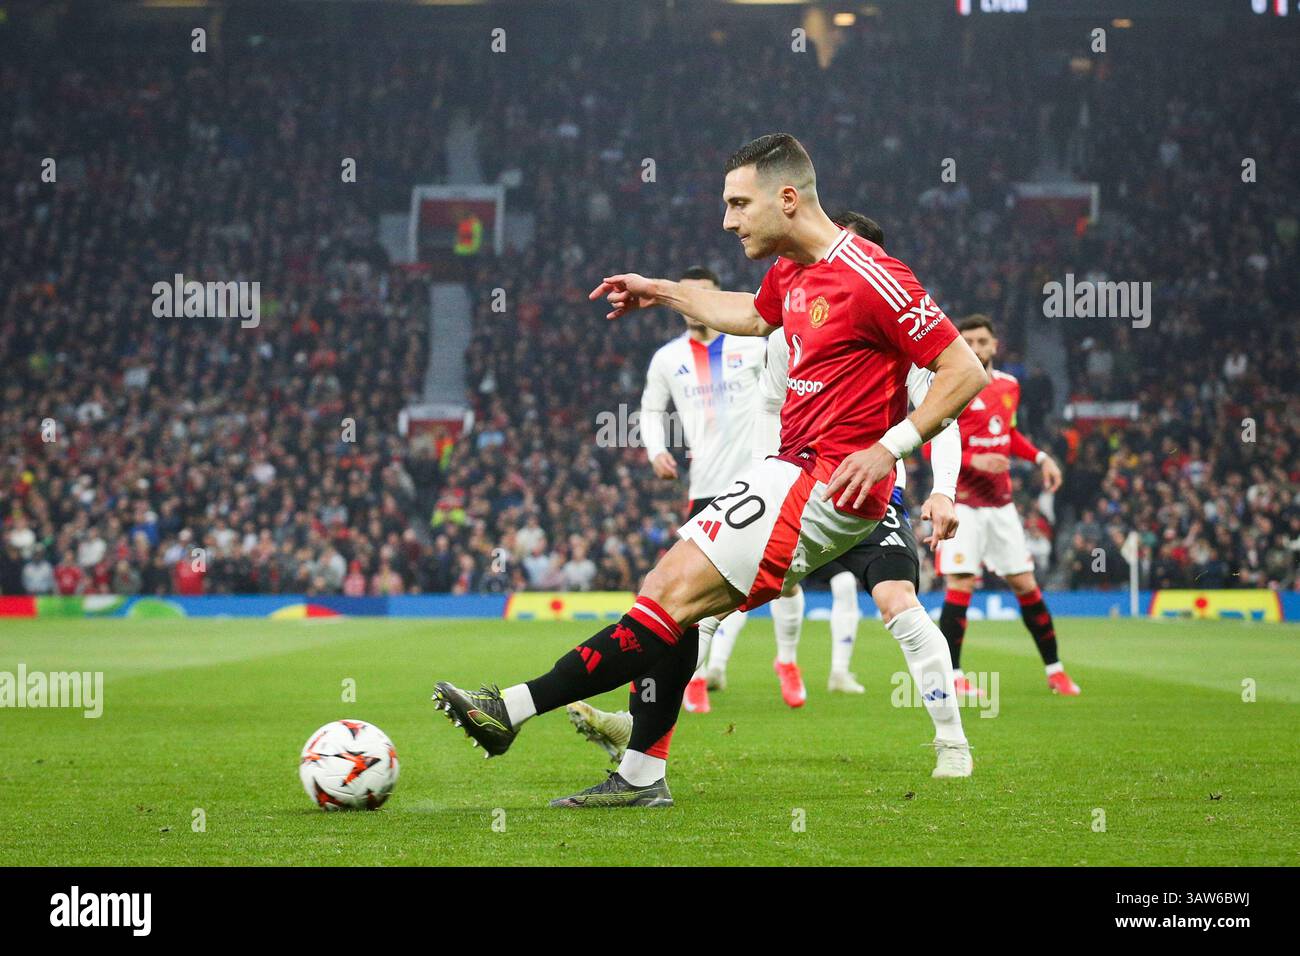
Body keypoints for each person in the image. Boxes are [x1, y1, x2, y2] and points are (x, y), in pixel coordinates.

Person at [430, 133, 988, 807]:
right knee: (671, 601)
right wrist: (664, 291)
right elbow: (750, 316)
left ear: (787, 198)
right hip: (793, 469)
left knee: (669, 594)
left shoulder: (874, 276)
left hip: (831, 482)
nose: (728, 221)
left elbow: (964, 370)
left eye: (737, 203)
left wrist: (890, 446)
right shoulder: (790, 270)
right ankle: (639, 777)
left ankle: (509, 710)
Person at [564, 210, 972, 797]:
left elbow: (947, 401)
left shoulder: (896, 328)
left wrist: (941, 489)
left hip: (870, 498)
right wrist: (761, 483)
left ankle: (952, 742)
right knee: (700, 605)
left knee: (899, 602)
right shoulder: (793, 330)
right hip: (800, 490)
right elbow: (768, 406)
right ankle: (641, 728)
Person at [637, 266, 785, 712]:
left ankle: (787, 662)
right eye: (688, 295)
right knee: (700, 593)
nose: (695, 304)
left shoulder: (752, 345)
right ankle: (698, 675)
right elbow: (648, 410)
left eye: (705, 295)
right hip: (706, 486)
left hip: (762, 479)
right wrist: (655, 451)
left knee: (774, 583)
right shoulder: (668, 358)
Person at [934, 315, 1081, 697]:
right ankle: (953, 678)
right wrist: (973, 461)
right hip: (962, 504)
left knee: (1026, 585)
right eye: (967, 340)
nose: (976, 347)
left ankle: (1055, 670)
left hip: (1001, 505)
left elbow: (1009, 433)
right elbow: (932, 441)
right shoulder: (949, 384)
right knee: (961, 583)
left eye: (982, 340)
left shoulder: (1009, 387)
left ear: (995, 345)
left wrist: (1041, 457)